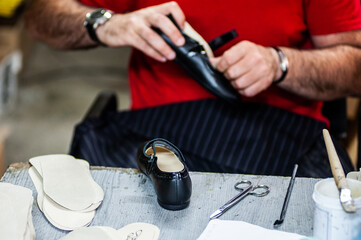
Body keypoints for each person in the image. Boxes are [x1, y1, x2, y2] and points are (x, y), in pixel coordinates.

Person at [25, 0, 361, 177]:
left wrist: (281, 64)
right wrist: (104, 24)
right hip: (157, 132)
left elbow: (354, 69)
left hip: (280, 137)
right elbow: (41, 16)